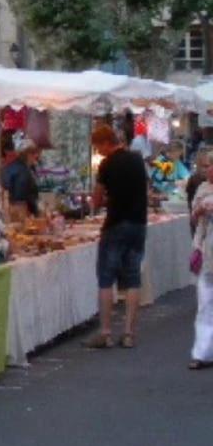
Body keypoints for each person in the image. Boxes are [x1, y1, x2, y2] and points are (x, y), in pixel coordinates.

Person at [84, 124, 148, 349]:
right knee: (132, 279)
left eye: (97, 147)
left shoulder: (106, 164)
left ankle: (106, 332)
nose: (98, 152)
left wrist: (97, 201)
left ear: (104, 143)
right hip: (139, 224)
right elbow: (145, 189)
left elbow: (97, 199)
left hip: (116, 224)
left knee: (106, 278)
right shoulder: (137, 159)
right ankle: (129, 333)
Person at [188, 159, 213, 369]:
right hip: (207, 250)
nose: (210, 170)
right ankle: (202, 352)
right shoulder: (202, 189)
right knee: (205, 302)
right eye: (208, 166)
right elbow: (193, 219)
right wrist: (198, 210)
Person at [1, 138, 41, 216]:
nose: (36, 156)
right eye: (34, 153)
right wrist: (36, 212)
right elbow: (22, 196)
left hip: (8, 209)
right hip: (20, 212)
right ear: (28, 154)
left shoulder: (10, 167)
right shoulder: (23, 171)